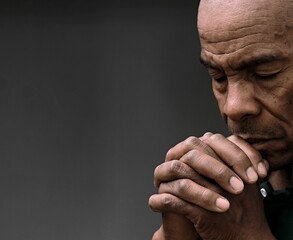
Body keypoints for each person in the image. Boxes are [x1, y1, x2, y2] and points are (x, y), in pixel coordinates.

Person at [148, 0, 293, 239]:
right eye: (219, 77)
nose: (233, 107)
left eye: (265, 74)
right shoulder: (225, 192)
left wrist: (245, 235)